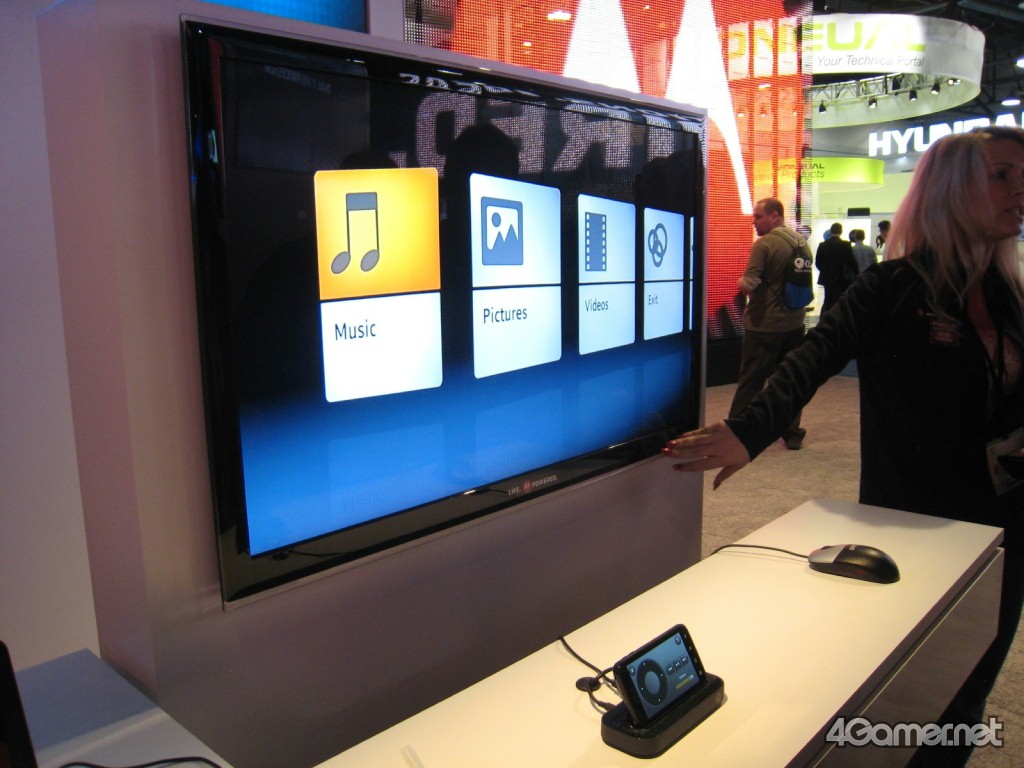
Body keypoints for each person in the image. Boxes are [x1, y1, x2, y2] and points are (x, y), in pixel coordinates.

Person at [664, 125, 1024, 767]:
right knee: (916, 699)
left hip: (1008, 528)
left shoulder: (1009, 297)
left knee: (970, 695)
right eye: (1002, 176)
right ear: (953, 187)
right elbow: (814, 357)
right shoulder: (893, 288)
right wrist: (750, 431)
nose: (1020, 191)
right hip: (920, 525)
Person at [728, 197, 812, 451]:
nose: (754, 222)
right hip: (795, 323)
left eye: (758, 217)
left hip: (764, 325)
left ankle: (737, 431)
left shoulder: (764, 244)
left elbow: (750, 283)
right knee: (789, 380)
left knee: (751, 381)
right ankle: (792, 432)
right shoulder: (802, 243)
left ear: (775, 216)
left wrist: (740, 282)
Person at [815, 221, 858, 312]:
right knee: (839, 299)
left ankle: (826, 316)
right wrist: (857, 273)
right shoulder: (845, 245)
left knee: (828, 299)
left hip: (827, 277)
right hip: (841, 277)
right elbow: (851, 261)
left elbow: (818, 262)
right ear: (841, 232)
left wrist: (825, 270)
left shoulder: (823, 245)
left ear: (831, 231)